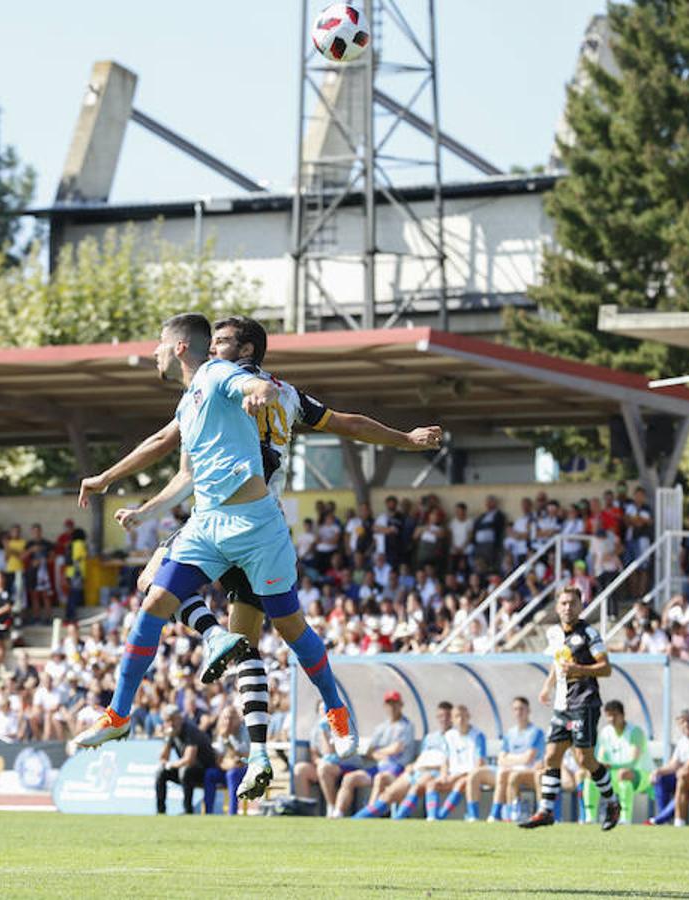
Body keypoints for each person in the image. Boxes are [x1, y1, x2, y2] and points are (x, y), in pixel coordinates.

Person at [78, 314, 440, 800]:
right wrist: (136, 503)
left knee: (273, 633)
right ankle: (151, 707)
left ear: (245, 350)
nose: (215, 350)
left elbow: (341, 420)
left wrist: (404, 439)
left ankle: (293, 730)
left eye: (224, 342)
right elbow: (173, 455)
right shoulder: (199, 397)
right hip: (211, 520)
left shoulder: (251, 384)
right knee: (156, 592)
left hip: (257, 525)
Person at [521, 586, 620, 830]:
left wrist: (580, 670)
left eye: (572, 603)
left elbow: (606, 668)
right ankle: (546, 811)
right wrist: (547, 686)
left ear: (580, 606)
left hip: (584, 703)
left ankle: (612, 802)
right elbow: (558, 662)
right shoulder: (554, 633)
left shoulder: (589, 633)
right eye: (563, 603)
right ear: (557, 607)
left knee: (584, 759)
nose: (567, 607)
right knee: (551, 755)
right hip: (562, 704)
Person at [468, 695, 544, 822]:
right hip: (506, 770)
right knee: (475, 774)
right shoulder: (510, 733)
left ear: (528, 711)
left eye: (521, 709)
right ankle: (473, 817)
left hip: (527, 772)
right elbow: (501, 759)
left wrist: (510, 758)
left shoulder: (536, 732)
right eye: (515, 709)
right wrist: (514, 758)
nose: (518, 712)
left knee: (505, 774)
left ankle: (496, 814)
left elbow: (528, 759)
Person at [343, 691, 417, 818]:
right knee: (350, 778)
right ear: (385, 706)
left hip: (398, 770)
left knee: (380, 778)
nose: (392, 707)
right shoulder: (381, 727)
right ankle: (336, 812)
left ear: (401, 705)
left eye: (395, 704)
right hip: (379, 767)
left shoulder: (407, 726)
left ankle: (367, 814)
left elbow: (397, 748)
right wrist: (380, 754)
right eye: (389, 704)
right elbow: (369, 751)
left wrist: (379, 752)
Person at [582, 700, 649, 824]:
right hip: (616, 775)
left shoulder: (636, 732)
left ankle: (625, 819)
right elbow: (601, 759)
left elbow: (633, 763)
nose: (611, 719)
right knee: (590, 775)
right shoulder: (605, 732)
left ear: (622, 715)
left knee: (624, 773)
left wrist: (612, 766)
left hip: (642, 776)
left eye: (615, 715)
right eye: (608, 715)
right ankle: (589, 818)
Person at [155, 704, 219, 815]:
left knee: (185, 771)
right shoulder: (172, 732)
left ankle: (188, 810)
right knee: (161, 772)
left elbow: (189, 760)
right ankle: (161, 811)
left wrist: (170, 765)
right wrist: (168, 739)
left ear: (179, 718)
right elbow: (163, 758)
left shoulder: (190, 730)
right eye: (166, 721)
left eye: (171, 720)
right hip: (187, 770)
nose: (169, 724)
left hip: (204, 771)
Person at [647, 710, 689, 825]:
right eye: (682, 722)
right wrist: (657, 771)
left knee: (682, 781)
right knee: (660, 778)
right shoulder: (682, 741)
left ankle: (659, 819)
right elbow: (674, 764)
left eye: (688, 721)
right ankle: (665, 819)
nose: (686, 724)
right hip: (681, 776)